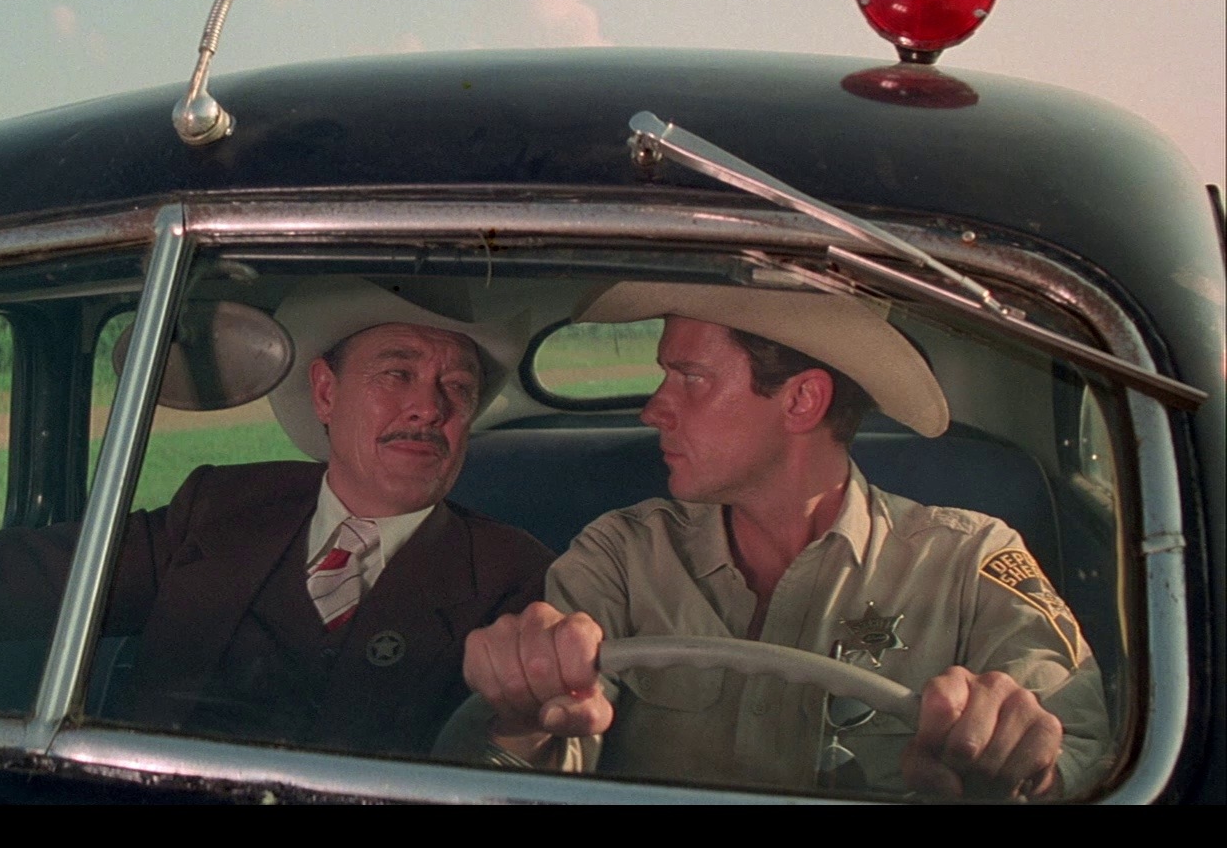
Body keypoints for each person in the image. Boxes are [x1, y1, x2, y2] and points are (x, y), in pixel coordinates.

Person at [0, 276, 553, 756]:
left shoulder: (511, 573)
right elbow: (0, 576)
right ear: (324, 392)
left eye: (456, 387)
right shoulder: (220, 509)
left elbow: (515, 755)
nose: (429, 406)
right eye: (398, 373)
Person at [449, 281, 1110, 798]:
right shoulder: (620, 554)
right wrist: (525, 717)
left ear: (801, 402)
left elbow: (1085, 757)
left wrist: (1027, 765)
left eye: (690, 377)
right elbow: (550, 767)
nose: (653, 408)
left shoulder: (969, 561)